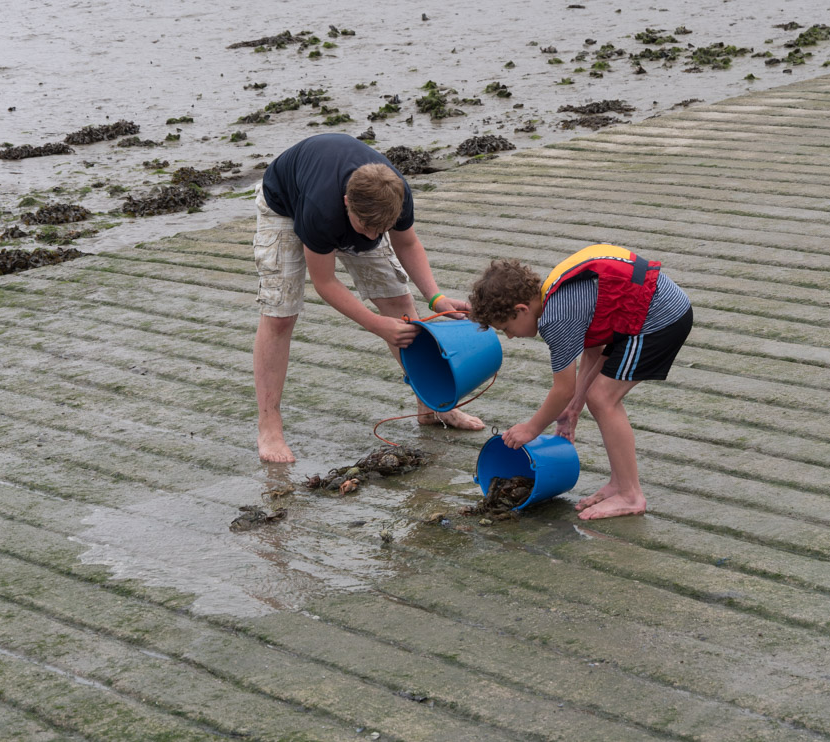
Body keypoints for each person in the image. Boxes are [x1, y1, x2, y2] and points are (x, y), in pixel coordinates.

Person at [252, 133, 484, 463]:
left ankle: (431, 404)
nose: (374, 238)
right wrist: (377, 325)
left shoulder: (395, 195)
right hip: (285, 204)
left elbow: (406, 243)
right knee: (280, 315)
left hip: (353, 206)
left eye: (382, 229)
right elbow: (325, 282)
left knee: (401, 304)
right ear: (348, 203)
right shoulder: (321, 210)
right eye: (367, 229)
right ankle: (270, 427)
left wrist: (435, 297)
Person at [468, 244, 693, 519]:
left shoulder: (555, 319)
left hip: (659, 319)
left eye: (506, 328)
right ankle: (619, 483)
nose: (511, 337)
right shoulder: (554, 293)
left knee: (603, 399)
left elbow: (563, 389)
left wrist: (531, 429)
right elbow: (592, 350)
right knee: (597, 396)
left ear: (522, 309)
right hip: (642, 313)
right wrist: (573, 409)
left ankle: (631, 494)